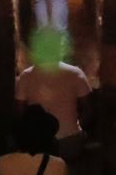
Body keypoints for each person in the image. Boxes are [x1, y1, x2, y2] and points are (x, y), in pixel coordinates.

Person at [14, 27, 92, 159]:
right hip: (70, 141)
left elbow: (20, 113)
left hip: (38, 143)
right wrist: (77, 127)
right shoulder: (75, 73)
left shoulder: (26, 76)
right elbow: (88, 109)